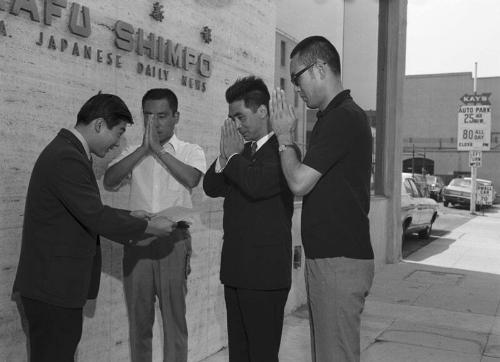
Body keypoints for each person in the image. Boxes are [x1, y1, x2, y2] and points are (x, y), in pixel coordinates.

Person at [12, 93, 176, 362]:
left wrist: (132, 215)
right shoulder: (67, 157)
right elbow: (95, 216)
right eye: (119, 132)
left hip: (53, 287)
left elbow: (86, 211)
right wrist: (147, 228)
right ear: (99, 125)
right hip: (52, 289)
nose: (116, 144)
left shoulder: (68, 152)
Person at [269, 36, 375, 362]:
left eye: (297, 77)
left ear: (318, 68)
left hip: (338, 261)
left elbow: (299, 181)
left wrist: (284, 137)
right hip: (332, 260)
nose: (296, 88)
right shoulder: (333, 117)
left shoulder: (343, 116)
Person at [103, 88, 206, 362]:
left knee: (174, 321)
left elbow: (192, 178)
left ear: (176, 117)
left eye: (161, 116)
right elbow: (110, 180)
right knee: (139, 322)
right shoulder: (132, 152)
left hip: (175, 240)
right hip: (138, 241)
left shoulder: (189, 150)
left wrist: (158, 151)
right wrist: (143, 151)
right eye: (148, 115)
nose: (155, 122)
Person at [203, 76, 294, 362]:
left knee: (262, 355)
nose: (236, 125)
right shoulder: (237, 152)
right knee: (239, 355)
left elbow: (256, 185)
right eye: (232, 119)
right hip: (236, 271)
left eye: (240, 117)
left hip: (266, 276)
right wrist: (224, 156)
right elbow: (211, 187)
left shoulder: (284, 150)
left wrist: (232, 158)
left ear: (263, 111)